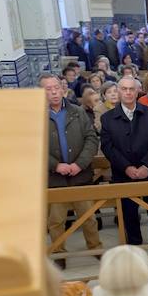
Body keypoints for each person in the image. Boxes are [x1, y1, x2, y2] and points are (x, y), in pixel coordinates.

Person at [100, 76, 148, 253]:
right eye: (124, 89)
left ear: (138, 91)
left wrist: (147, 166)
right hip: (124, 173)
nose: (128, 92)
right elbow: (108, 147)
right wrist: (126, 167)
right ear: (118, 91)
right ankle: (135, 242)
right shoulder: (108, 118)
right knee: (129, 212)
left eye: (132, 89)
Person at [41, 74, 102, 270]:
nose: (53, 92)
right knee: (55, 221)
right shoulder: (36, 116)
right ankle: (59, 252)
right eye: (48, 89)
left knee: (88, 218)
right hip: (54, 178)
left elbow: (91, 139)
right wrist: (55, 165)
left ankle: (95, 248)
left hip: (79, 175)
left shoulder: (77, 112)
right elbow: (34, 146)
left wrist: (79, 164)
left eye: (56, 88)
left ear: (63, 89)